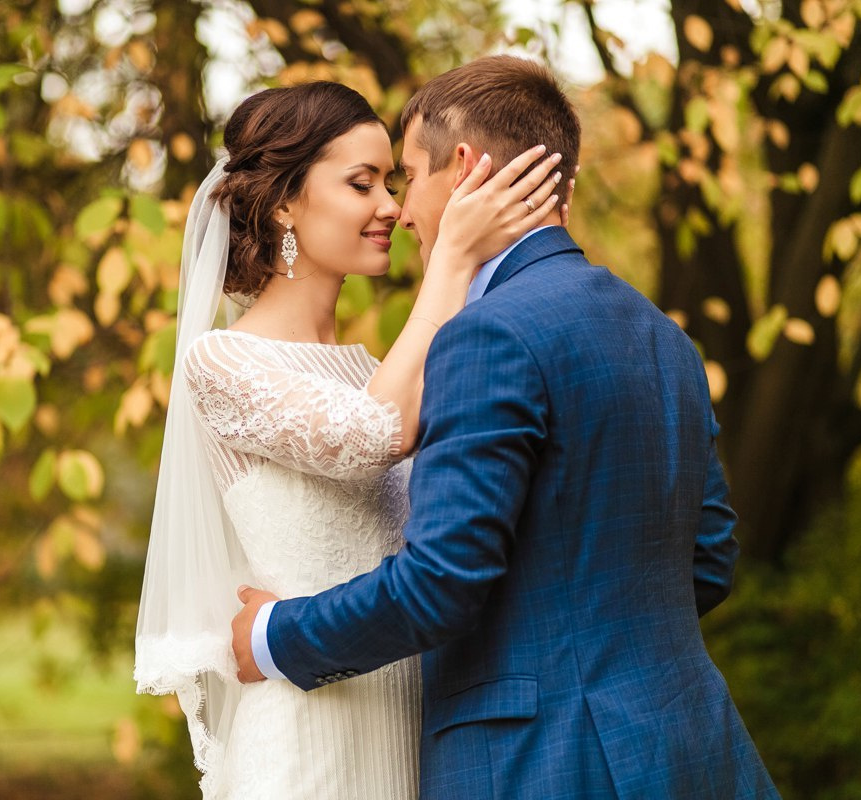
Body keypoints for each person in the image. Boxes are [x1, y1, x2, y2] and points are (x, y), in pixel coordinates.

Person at [232, 55, 780, 799]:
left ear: (464, 169)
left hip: (545, 764)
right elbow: (708, 561)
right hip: (691, 745)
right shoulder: (662, 336)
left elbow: (440, 583)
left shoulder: (486, 335)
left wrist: (275, 637)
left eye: (409, 178)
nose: (403, 211)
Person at [134, 80, 564, 799]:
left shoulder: (374, 372)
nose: (391, 207)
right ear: (283, 203)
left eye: (393, 183)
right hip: (308, 746)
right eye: (362, 184)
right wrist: (453, 260)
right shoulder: (222, 363)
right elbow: (376, 435)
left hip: (410, 736)